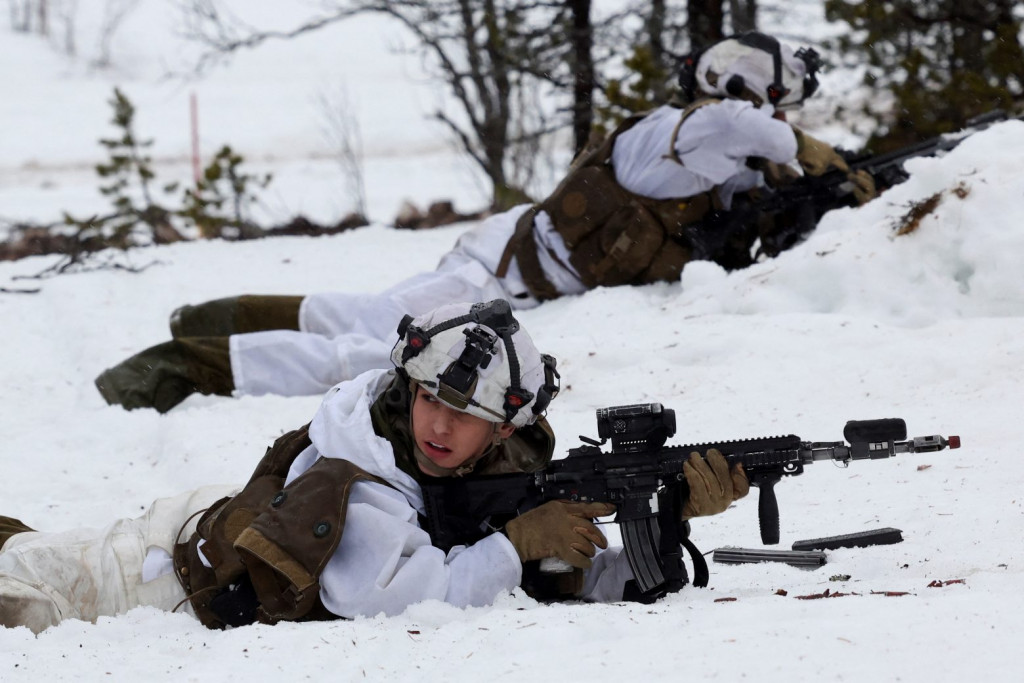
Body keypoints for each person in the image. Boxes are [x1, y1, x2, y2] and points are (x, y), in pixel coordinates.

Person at [95, 31, 876, 413]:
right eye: (778, 101)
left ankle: (208, 321)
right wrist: (814, 154)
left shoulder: (704, 151)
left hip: (507, 266)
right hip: (495, 272)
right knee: (370, 349)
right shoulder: (687, 130)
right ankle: (178, 369)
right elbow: (754, 136)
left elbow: (748, 186)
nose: (781, 119)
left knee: (358, 318)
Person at [2, 299, 750, 633]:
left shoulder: (504, 471)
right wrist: (516, 544)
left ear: (503, 428)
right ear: (408, 387)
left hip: (240, 531)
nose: (440, 426)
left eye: (466, 416)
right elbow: (388, 596)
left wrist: (666, 517)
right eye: (429, 399)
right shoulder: (358, 463)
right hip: (154, 572)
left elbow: (571, 579)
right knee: (20, 591)